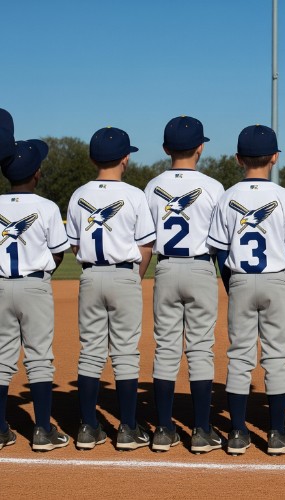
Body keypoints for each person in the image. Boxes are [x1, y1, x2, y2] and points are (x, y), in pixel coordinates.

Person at [207, 124, 285, 456]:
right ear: (275, 158)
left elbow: (220, 253)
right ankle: (277, 433)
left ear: (238, 159)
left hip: (240, 279)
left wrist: (231, 284)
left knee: (239, 357)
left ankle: (236, 433)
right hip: (277, 279)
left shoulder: (226, 197)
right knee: (277, 357)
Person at [66, 127, 156, 450]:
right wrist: (135, 276)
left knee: (90, 351)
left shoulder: (78, 195)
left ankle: (88, 427)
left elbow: (75, 245)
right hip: (124, 274)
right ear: (125, 158)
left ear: (92, 158)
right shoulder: (134, 195)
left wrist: (93, 268)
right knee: (126, 353)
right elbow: (146, 244)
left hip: (90, 275)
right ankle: (128, 428)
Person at [143, 116, 225, 453]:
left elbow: (146, 240)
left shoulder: (151, 186)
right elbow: (222, 241)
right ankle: (202, 430)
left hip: (165, 269)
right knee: (201, 348)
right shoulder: (214, 187)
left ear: (165, 149)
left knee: (165, 348)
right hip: (201, 266)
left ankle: (163, 429)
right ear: (201, 147)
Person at [0, 138, 71, 451]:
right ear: (37, 173)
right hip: (35, 284)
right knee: (39, 357)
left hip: (0, 285)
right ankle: (42, 429)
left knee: (1, 359)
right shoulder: (47, 207)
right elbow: (58, 254)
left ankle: (1, 429)